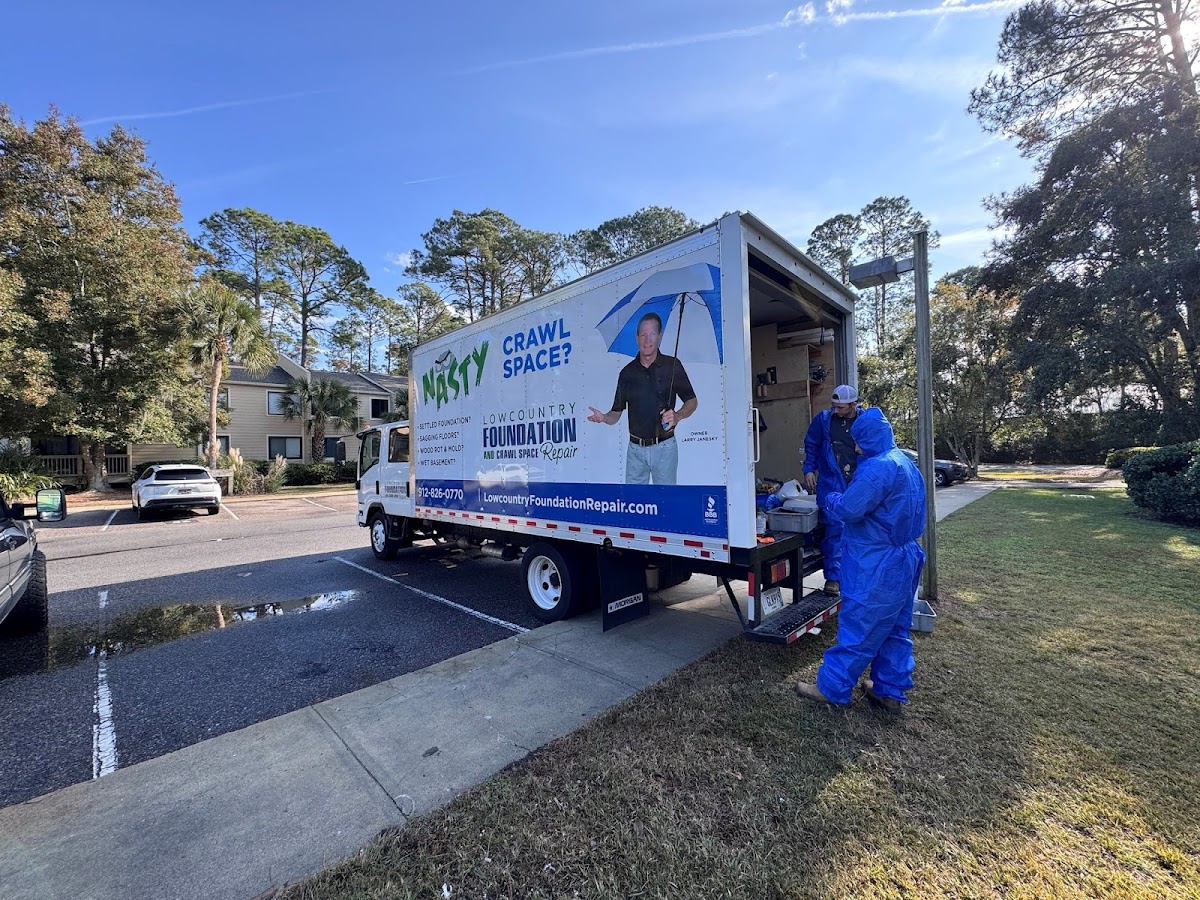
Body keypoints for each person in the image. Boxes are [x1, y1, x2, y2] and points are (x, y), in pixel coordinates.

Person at [794, 407, 926, 713]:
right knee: (896, 628)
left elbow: (850, 510)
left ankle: (832, 688)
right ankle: (889, 690)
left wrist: (830, 497)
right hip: (905, 557)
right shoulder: (905, 463)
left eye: (859, 440)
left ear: (869, 438)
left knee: (859, 627)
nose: (855, 447)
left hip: (876, 562)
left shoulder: (877, 469)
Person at [588, 312, 698, 485]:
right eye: (643, 335)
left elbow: (692, 401)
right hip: (635, 452)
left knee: (664, 499)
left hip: (665, 447)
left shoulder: (672, 366)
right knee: (634, 500)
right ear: (637, 338)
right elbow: (616, 413)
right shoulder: (627, 373)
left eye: (652, 334)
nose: (648, 340)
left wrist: (678, 415)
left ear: (659, 336)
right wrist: (604, 418)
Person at [802, 384, 862, 594]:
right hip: (831, 481)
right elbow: (811, 444)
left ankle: (856, 576)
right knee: (835, 528)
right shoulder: (824, 420)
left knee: (860, 528)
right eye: (834, 406)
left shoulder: (864, 421)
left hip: (857, 481)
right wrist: (809, 469)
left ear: (853, 405)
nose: (836, 410)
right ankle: (834, 578)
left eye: (841, 407)